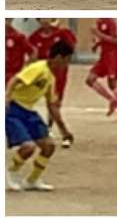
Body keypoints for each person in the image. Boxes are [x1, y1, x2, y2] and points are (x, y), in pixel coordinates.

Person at [6, 40, 74, 191]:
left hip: (28, 112)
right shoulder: (38, 68)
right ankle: (11, 173)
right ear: (58, 57)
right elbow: (15, 80)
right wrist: (6, 98)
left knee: (48, 146)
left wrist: (64, 131)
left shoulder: (51, 78)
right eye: (66, 60)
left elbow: (52, 106)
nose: (66, 65)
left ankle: (32, 180)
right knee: (28, 147)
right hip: (14, 110)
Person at [28, 19, 77, 148]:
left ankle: (57, 131)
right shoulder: (34, 37)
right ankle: (61, 133)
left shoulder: (62, 33)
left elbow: (70, 49)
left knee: (53, 105)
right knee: (48, 105)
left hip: (58, 75)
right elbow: (32, 56)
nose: (45, 21)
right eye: (41, 18)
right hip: (42, 75)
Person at [86, 18, 117, 123]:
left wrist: (98, 33)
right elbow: (103, 39)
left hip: (112, 56)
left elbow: (115, 40)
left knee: (112, 84)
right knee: (90, 79)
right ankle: (112, 100)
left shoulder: (110, 22)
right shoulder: (99, 22)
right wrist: (96, 45)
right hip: (104, 56)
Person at [6, 19, 35, 85]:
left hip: (13, 77)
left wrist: (26, 69)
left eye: (7, 19)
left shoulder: (18, 36)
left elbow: (32, 52)